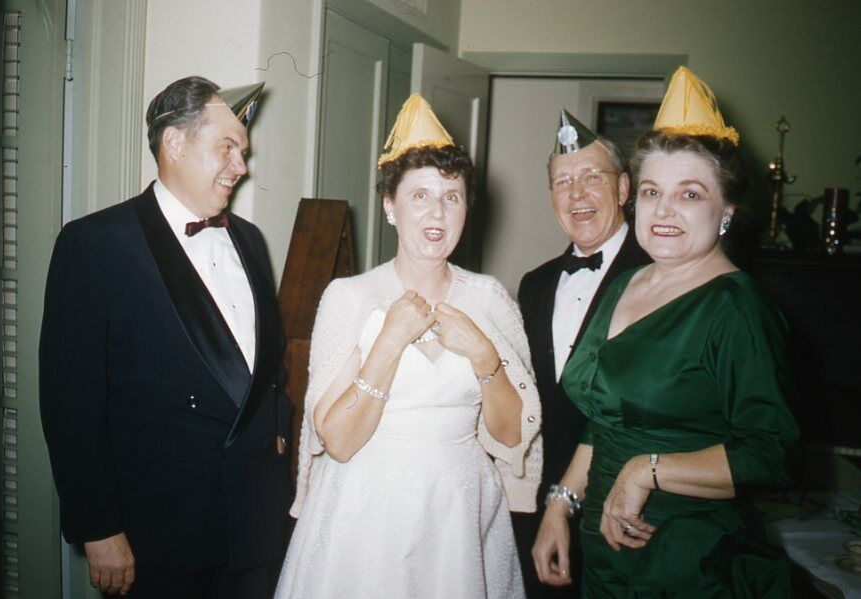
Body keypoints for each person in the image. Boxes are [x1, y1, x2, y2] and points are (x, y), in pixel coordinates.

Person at [532, 67, 800, 597]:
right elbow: (605, 418)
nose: (665, 210)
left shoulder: (736, 307)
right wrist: (561, 503)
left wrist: (646, 471)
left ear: (726, 211)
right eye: (653, 191)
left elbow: (774, 454)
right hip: (605, 554)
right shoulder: (629, 282)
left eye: (691, 194)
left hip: (689, 561)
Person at [275, 93, 541, 598]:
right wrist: (389, 342)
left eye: (452, 196)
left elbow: (510, 437)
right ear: (390, 206)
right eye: (419, 195)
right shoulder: (349, 297)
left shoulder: (489, 298)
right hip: (363, 513)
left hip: (459, 512)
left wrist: (485, 356)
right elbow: (339, 441)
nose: (436, 212)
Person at [39, 76, 292, 599]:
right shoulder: (94, 245)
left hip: (255, 524)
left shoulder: (250, 239)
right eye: (228, 147)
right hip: (159, 536)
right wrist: (99, 528)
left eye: (242, 152)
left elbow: (272, 363)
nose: (241, 167)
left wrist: (277, 426)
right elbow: (71, 404)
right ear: (174, 143)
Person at [515, 109, 649, 597]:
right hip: (538, 509)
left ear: (624, 189)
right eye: (563, 182)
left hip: (626, 512)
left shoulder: (656, 278)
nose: (577, 195)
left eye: (593, 178)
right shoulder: (534, 284)